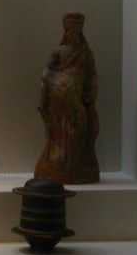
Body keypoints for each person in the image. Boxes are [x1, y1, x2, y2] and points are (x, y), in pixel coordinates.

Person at [35, 13, 99, 184]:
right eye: (70, 30)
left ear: (81, 31)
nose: (73, 33)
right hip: (57, 96)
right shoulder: (59, 51)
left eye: (77, 29)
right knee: (59, 129)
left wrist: (91, 94)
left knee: (79, 127)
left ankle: (74, 161)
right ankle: (59, 160)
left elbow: (92, 75)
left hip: (76, 95)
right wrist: (46, 86)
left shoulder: (85, 52)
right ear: (65, 31)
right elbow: (47, 71)